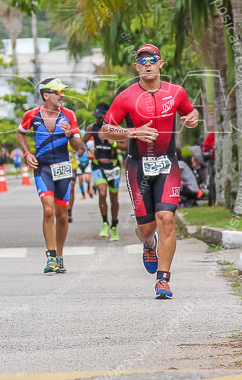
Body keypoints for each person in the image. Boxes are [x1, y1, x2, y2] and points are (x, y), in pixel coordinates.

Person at [100, 44, 198, 300]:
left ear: (161, 63)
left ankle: (163, 280)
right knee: (147, 228)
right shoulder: (126, 97)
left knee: (166, 218)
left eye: (152, 59)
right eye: (142, 61)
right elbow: (105, 130)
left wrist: (193, 117)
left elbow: (190, 112)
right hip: (138, 166)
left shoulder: (176, 92)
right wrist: (133, 132)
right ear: (136, 66)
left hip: (168, 164)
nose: (147, 64)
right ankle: (149, 244)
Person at [17, 77, 85, 274]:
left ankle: (60, 256)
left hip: (63, 167)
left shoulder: (69, 115)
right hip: (43, 168)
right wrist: (27, 153)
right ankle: (51, 256)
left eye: (62, 92)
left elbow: (78, 146)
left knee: (62, 215)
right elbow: (21, 133)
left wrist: (70, 135)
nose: (62, 95)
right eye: (57, 92)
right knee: (48, 211)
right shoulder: (32, 115)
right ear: (46, 95)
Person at [85, 102, 122, 241]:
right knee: (102, 193)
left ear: (107, 115)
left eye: (100, 116)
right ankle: (105, 222)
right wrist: (88, 150)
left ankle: (114, 225)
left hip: (113, 167)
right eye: (96, 117)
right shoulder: (92, 128)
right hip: (97, 165)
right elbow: (82, 142)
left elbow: (128, 144)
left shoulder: (116, 128)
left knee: (114, 198)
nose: (97, 119)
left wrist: (116, 143)